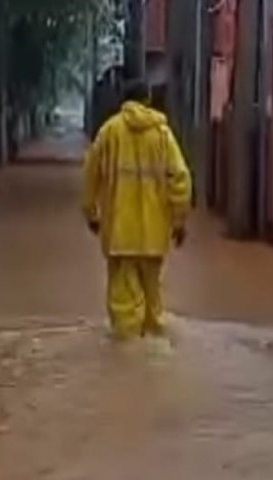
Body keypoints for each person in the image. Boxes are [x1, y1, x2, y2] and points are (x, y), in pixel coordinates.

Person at [82, 79, 192, 341]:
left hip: (120, 235)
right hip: (154, 236)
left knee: (124, 311)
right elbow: (181, 178)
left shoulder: (109, 132)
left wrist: (91, 213)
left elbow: (90, 176)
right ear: (148, 100)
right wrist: (179, 221)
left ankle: (128, 368)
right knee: (154, 306)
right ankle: (155, 360)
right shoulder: (162, 134)